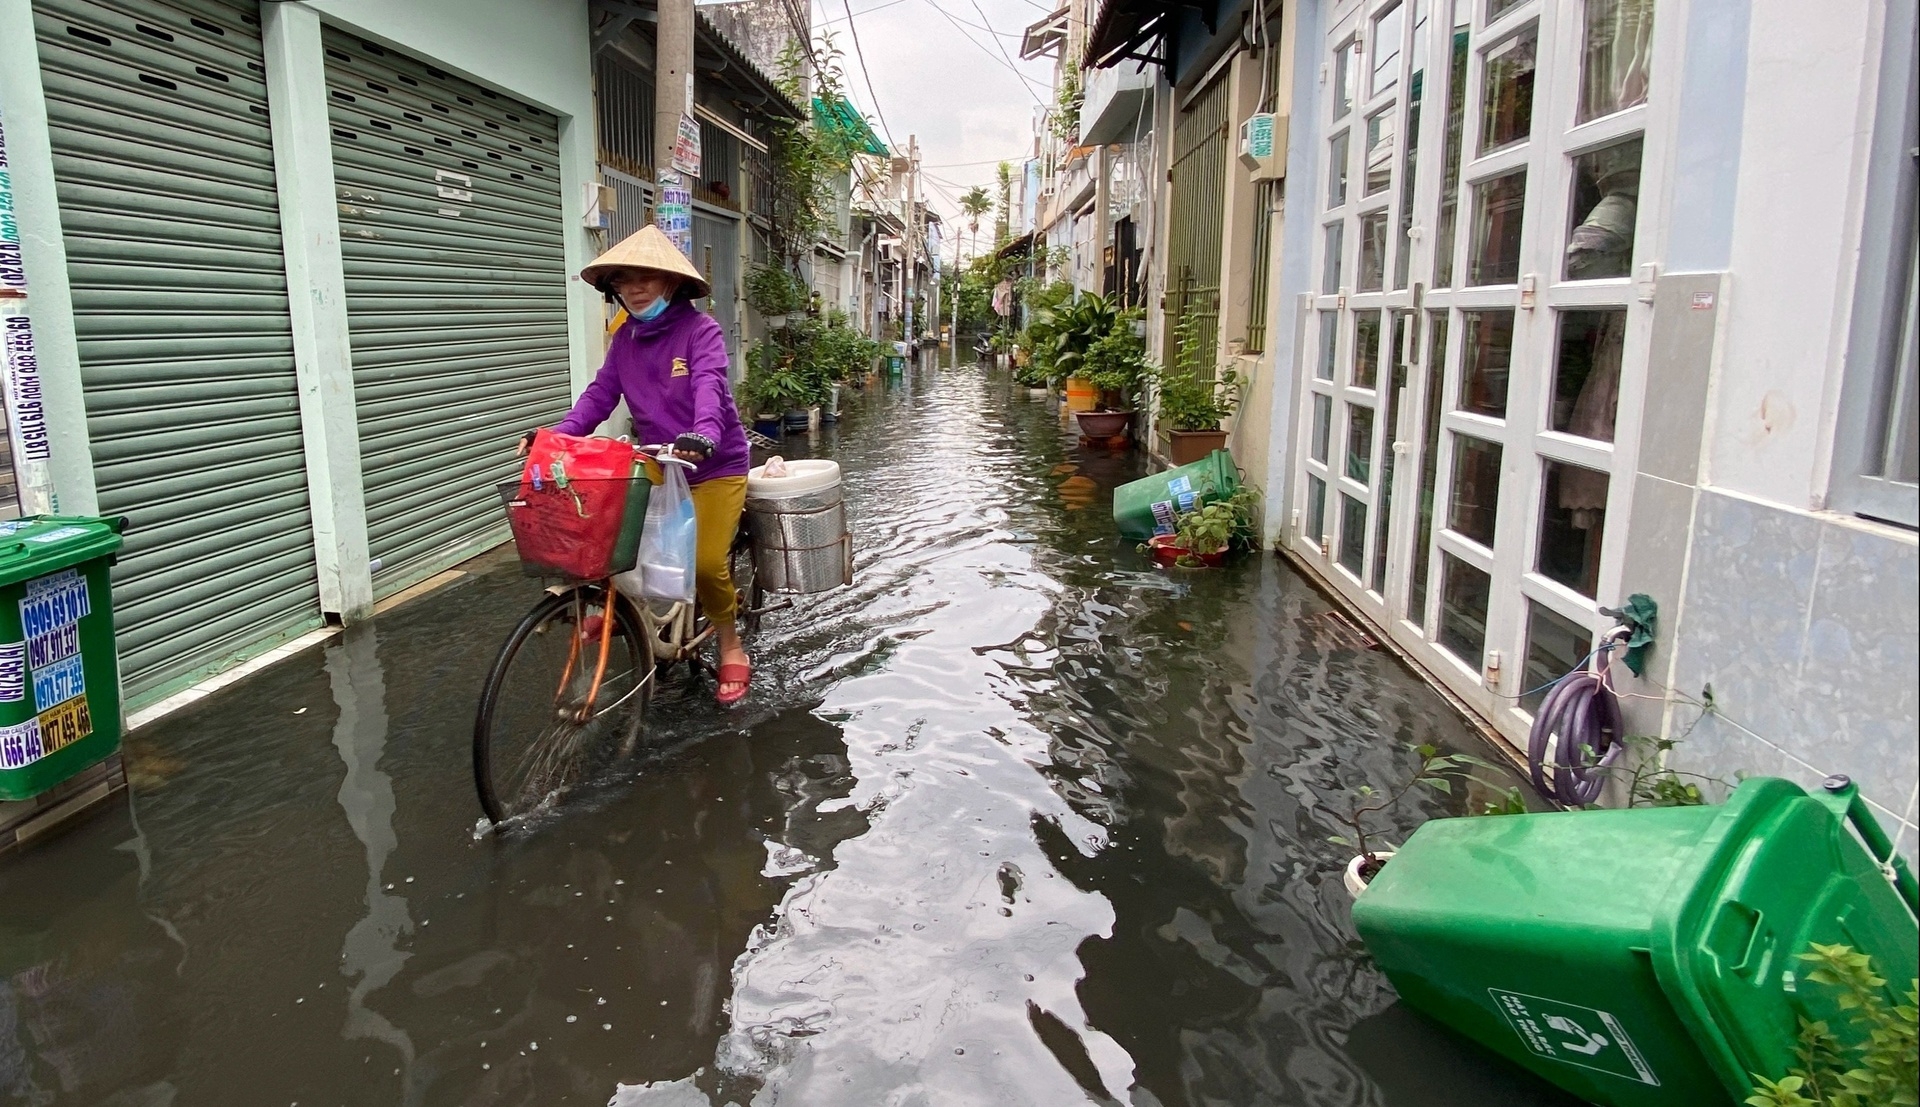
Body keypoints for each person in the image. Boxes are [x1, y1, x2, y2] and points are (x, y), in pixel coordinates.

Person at [520, 226, 753, 705]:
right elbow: (600, 395)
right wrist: (558, 436)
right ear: (615, 289)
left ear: (671, 284)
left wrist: (705, 435)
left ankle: (731, 643)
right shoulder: (625, 339)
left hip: (713, 463)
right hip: (660, 460)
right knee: (607, 534)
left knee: (707, 564)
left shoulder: (700, 330)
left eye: (647, 277)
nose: (635, 287)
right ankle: (621, 607)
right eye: (625, 280)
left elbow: (710, 387)